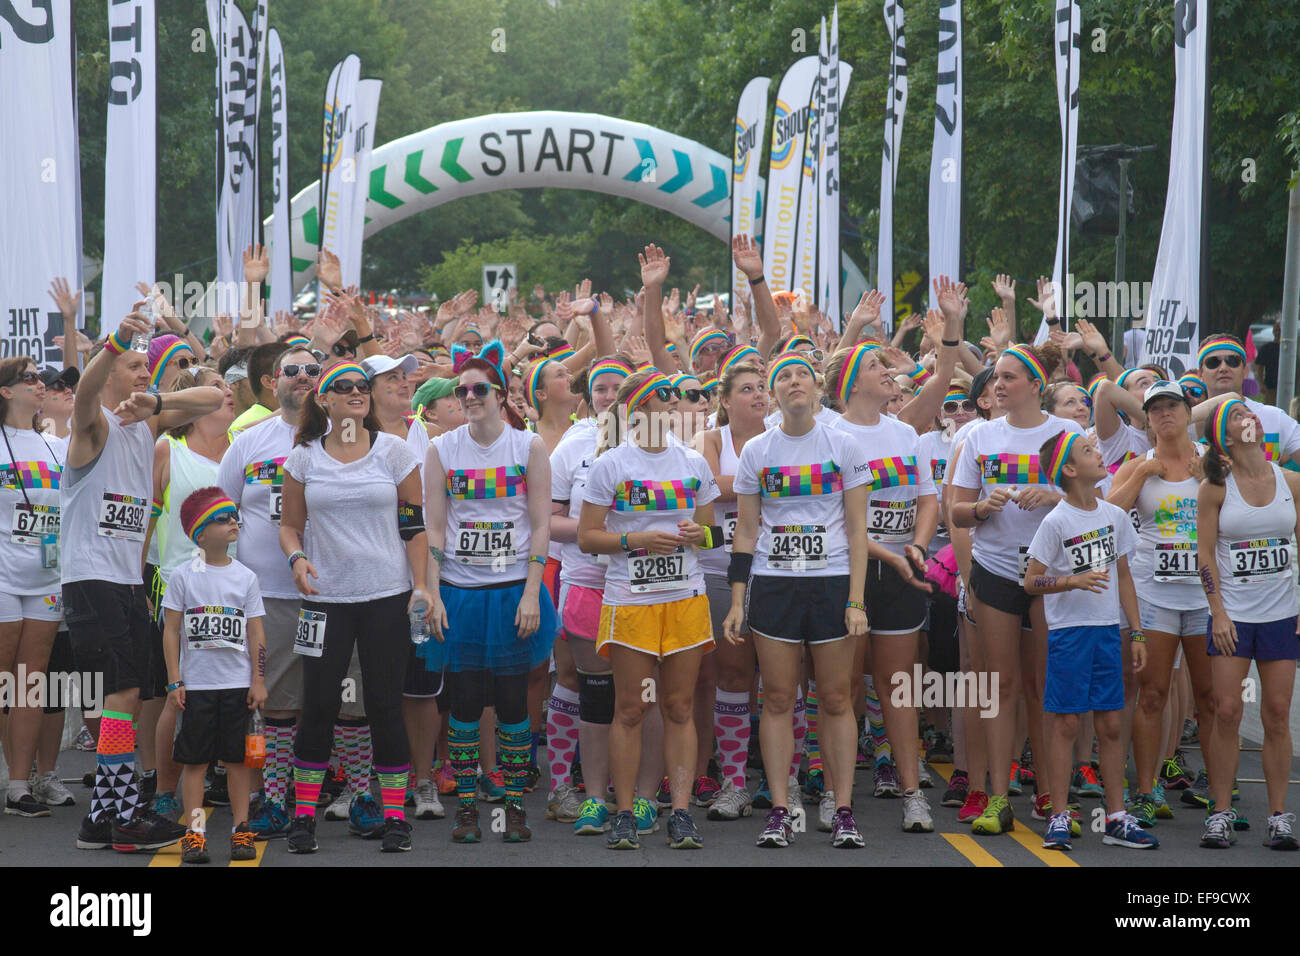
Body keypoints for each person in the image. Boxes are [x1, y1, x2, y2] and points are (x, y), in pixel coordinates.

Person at [62, 311, 224, 852]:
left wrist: (156, 402)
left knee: (124, 697)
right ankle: (124, 815)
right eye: (132, 367)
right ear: (110, 374)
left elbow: (209, 399)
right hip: (92, 578)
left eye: (142, 367)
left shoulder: (147, 424)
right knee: (122, 694)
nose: (139, 373)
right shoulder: (93, 428)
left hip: (129, 581)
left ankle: (102, 819)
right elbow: (86, 389)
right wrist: (114, 344)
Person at [279, 359, 428, 854]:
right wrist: (297, 558)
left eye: (361, 386)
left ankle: (393, 818)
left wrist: (422, 588)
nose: (355, 393)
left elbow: (414, 527)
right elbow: (288, 526)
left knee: (386, 706)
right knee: (318, 704)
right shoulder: (303, 458)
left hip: (385, 595)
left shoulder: (395, 452)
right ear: (323, 400)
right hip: (324, 601)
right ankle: (303, 817)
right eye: (342, 388)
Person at [724, 353, 871, 849]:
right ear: (772, 393)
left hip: (830, 582)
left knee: (834, 698)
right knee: (780, 699)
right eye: (782, 377)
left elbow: (856, 530)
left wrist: (856, 600)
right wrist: (738, 600)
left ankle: (843, 807)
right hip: (775, 583)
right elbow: (745, 531)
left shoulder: (843, 445)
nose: (793, 383)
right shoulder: (758, 451)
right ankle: (781, 810)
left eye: (801, 374)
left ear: (816, 387)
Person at [419, 342, 557, 844]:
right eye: (463, 390)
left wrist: (530, 592)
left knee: (513, 702)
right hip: (462, 592)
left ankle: (515, 804)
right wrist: (433, 593)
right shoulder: (442, 449)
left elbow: (541, 524)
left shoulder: (528, 446)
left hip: (512, 592)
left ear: (501, 394)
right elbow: (435, 527)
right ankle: (468, 809)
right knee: (464, 701)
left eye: (480, 389)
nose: (471, 397)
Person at [578, 367, 719, 850]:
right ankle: (623, 813)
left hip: (684, 598)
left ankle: (679, 812)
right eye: (664, 395)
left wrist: (698, 535)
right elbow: (586, 537)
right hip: (631, 602)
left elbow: (711, 534)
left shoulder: (694, 462)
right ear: (639, 409)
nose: (675, 400)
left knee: (679, 707)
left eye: (675, 395)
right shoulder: (612, 464)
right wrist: (636, 539)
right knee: (632, 708)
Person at [949, 342, 1083, 836]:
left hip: (1051, 574)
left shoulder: (1067, 432)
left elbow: (1100, 496)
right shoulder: (978, 435)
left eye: (1008, 377)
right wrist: (983, 508)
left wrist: (1056, 494)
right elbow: (956, 513)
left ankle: (1050, 794)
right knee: (999, 686)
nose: (998, 385)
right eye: (995, 378)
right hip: (996, 570)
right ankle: (999, 796)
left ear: (1035, 384)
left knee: (1043, 686)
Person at [1023, 431, 1156, 850]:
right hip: (1069, 635)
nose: (1099, 454)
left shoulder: (1114, 516)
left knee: (1112, 723)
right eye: (1087, 451)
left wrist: (1135, 631)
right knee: (1065, 723)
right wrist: (1071, 580)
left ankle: (1116, 817)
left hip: (1107, 631)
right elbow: (1031, 581)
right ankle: (1059, 815)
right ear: (1069, 470)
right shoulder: (1056, 520)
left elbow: (1124, 576)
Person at [828, 343, 939, 833]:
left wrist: (914, 545)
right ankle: (837, 793)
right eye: (875, 366)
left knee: (899, 688)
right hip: (847, 570)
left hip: (900, 571)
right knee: (844, 688)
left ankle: (913, 794)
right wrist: (887, 553)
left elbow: (927, 500)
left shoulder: (904, 434)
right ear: (851, 383)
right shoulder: (829, 434)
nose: (888, 371)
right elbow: (836, 518)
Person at [218, 346, 319, 839]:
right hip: (268, 595)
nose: (303, 377)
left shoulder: (345, 438)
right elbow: (222, 513)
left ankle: (327, 794)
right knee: (274, 703)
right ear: (271, 382)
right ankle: (274, 797)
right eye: (292, 370)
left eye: (313, 370)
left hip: (332, 593)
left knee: (339, 699)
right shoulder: (248, 440)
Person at [1106, 381, 1214, 828]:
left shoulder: (1213, 461)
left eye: (1172, 406)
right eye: (1155, 409)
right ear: (1145, 420)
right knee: (1152, 694)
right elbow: (1104, 520)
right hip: (1155, 595)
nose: (1164, 414)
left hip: (1207, 597)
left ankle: (1219, 795)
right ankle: (1145, 791)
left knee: (1212, 699)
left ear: (1188, 412)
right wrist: (1139, 475)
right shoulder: (1137, 464)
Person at [1195, 399, 1300, 851]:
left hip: (1282, 614)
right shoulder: (1215, 488)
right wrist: (1217, 612)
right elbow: (1203, 558)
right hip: (1234, 616)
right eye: (1237, 416)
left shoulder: (1291, 481)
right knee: (1227, 712)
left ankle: (1279, 815)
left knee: (1277, 714)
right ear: (1226, 438)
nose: (1249, 417)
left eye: (1249, 413)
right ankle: (1220, 812)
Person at [548, 356, 636, 833]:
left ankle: (640, 793)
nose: (609, 396)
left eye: (618, 387)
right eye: (600, 388)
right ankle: (566, 784)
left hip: (646, 588)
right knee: (584, 687)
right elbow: (549, 518)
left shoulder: (661, 442)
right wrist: (595, 533)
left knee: (642, 693)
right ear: (588, 397)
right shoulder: (573, 445)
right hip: (586, 583)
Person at [146, 367, 237, 821]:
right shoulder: (168, 449)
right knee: (177, 694)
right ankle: (166, 789)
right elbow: (145, 520)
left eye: (229, 388)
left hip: (239, 589)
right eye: (218, 389)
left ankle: (230, 783)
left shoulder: (244, 447)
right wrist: (132, 582)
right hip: (182, 588)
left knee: (236, 692)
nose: (229, 394)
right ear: (194, 402)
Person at [161, 487, 268, 863]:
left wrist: (258, 679)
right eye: (223, 519)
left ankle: (241, 831)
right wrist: (175, 680)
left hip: (237, 685)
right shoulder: (183, 577)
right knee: (196, 762)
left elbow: (256, 633)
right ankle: (195, 832)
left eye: (233, 516)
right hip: (199, 686)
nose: (233, 523)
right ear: (200, 534)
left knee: (238, 761)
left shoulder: (246, 577)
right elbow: (171, 631)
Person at [694, 359, 767, 821]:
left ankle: (790, 782)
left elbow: (722, 489)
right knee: (733, 678)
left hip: (780, 572)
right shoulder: (712, 439)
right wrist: (764, 484)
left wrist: (734, 487)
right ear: (724, 400)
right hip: (720, 571)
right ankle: (734, 781)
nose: (759, 395)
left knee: (784, 685)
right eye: (746, 389)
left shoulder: (785, 435)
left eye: (763, 387)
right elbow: (704, 491)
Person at [0, 357, 69, 817]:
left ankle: (19, 785)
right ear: (6, 391)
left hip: (47, 576)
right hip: (3, 576)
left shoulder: (55, 445)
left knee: (29, 684)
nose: (40, 384)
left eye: (41, 378)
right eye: (29, 379)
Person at [1253, 321, 1281, 407]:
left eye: (1280, 330)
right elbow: (1259, 367)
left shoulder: (1294, 349)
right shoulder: (1267, 348)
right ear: (1273, 331)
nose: (1278, 332)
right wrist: (1261, 384)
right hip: (1271, 388)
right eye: (1276, 330)